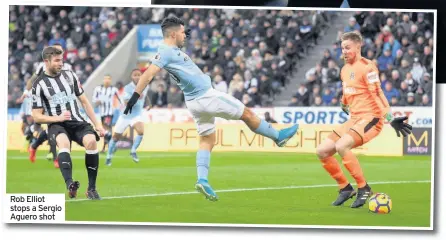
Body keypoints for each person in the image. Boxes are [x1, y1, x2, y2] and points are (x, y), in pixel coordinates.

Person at [123, 16, 298, 201]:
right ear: (173, 34)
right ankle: (278, 137)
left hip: (194, 102)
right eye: (182, 33)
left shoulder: (170, 49)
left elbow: (173, 47)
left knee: (207, 139)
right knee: (247, 113)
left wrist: (181, 33)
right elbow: (148, 74)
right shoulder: (166, 52)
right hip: (206, 95)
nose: (186, 36)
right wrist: (135, 97)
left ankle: (202, 180)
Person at [315, 32, 412, 208]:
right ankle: (345, 188)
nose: (344, 51)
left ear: (358, 47)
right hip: (354, 118)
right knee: (322, 150)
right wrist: (344, 103)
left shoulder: (368, 67)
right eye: (342, 48)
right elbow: (347, 91)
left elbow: (377, 93)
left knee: (341, 146)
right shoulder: (344, 69)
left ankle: (363, 187)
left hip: (371, 118)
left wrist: (389, 117)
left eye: (347, 48)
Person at [31, 46, 105, 200]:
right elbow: (37, 116)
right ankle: (70, 184)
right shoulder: (38, 85)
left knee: (91, 142)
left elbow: (84, 101)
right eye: (57, 60)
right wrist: (56, 118)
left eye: (62, 60)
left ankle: (91, 188)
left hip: (77, 120)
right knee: (63, 144)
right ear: (46, 61)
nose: (61, 63)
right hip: (57, 124)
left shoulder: (70, 75)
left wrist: (97, 124)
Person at [27, 43, 72, 165]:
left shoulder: (67, 67)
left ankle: (35, 146)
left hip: (63, 100)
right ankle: (56, 157)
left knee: (59, 129)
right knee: (53, 127)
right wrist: (27, 91)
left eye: (60, 50)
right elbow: (33, 79)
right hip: (47, 100)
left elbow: (71, 83)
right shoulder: (43, 65)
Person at [106, 69, 151, 166]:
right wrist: (135, 97)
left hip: (136, 115)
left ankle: (133, 151)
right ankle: (109, 156)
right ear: (132, 77)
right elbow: (126, 102)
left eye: (139, 75)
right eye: (135, 75)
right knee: (115, 138)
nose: (137, 77)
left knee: (141, 131)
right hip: (125, 115)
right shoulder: (127, 88)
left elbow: (145, 96)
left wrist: (148, 103)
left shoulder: (145, 85)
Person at [92, 74, 121, 153]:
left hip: (109, 112)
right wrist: (97, 101)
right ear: (103, 80)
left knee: (106, 128)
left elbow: (120, 98)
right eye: (105, 79)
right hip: (102, 113)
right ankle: (109, 146)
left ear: (110, 80)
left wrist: (122, 107)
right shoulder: (98, 89)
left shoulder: (114, 89)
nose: (107, 80)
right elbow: (94, 99)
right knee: (106, 130)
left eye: (108, 79)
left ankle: (108, 146)